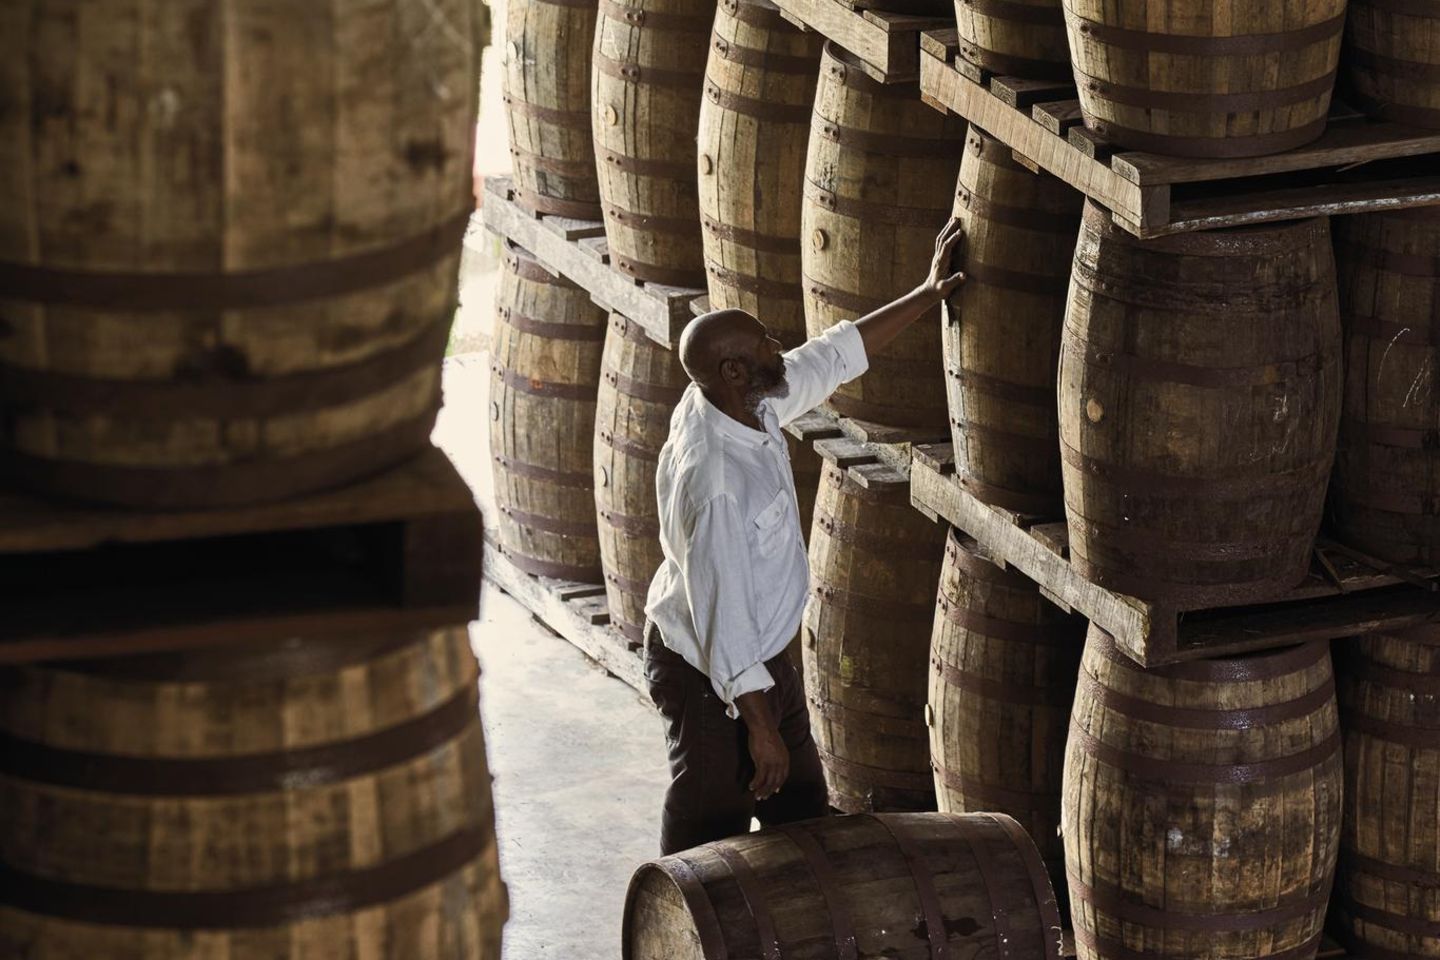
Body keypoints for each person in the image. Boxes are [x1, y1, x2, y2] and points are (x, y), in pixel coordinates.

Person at [641, 217, 968, 854]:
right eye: (764, 345)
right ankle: (677, 920)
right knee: (709, 836)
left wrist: (926, 294)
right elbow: (725, 618)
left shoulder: (742, 400)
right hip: (709, 673)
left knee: (803, 816)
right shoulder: (716, 480)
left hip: (761, 659)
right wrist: (760, 727)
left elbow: (829, 358)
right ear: (733, 370)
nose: (777, 347)